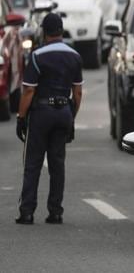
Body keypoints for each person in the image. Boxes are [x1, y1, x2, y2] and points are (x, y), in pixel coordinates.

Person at [15, 13, 83, 225]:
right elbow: (78, 92)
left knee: (33, 163)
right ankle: (55, 212)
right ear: (61, 31)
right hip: (63, 111)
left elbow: (28, 92)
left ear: (44, 32)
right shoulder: (74, 56)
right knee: (57, 164)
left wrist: (21, 117)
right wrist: (71, 116)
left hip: (41, 113)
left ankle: (27, 212)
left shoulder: (37, 55)